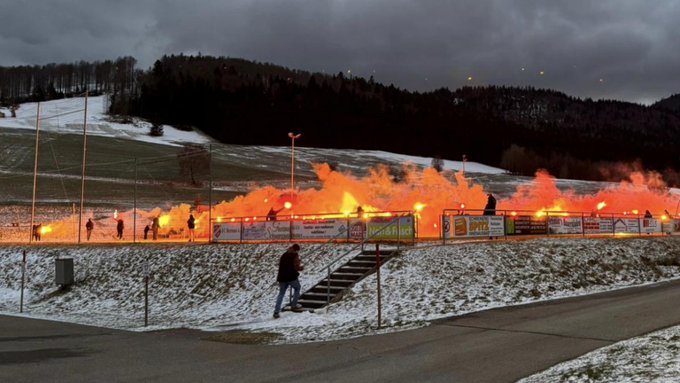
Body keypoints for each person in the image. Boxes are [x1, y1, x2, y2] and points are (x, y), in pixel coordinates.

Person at [273, 244, 304, 318]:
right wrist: (301, 267)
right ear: (296, 250)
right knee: (297, 288)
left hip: (282, 278)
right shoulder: (294, 255)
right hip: (291, 277)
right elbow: (296, 267)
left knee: (281, 294)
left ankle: (276, 312)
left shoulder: (284, 254)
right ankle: (294, 305)